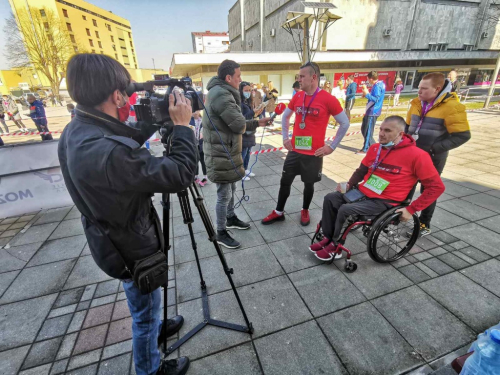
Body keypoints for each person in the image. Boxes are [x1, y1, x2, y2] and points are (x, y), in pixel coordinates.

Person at [58, 54, 196, 375]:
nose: (128, 97)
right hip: (131, 249)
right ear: (116, 96)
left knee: (145, 305)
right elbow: (179, 174)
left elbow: (119, 139)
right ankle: (150, 367)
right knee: (143, 316)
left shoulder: (78, 130)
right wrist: (183, 128)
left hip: (110, 237)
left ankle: (156, 325)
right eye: (125, 91)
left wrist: (153, 120)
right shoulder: (106, 152)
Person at [310, 116, 445, 261]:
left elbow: (436, 187)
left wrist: (411, 209)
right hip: (364, 193)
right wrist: (349, 184)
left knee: (345, 209)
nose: (381, 134)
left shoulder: (418, 156)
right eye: (380, 129)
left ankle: (336, 246)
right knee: (330, 198)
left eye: (387, 131)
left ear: (400, 134)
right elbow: (361, 170)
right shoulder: (375, 148)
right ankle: (329, 238)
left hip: (386, 201)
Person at [261, 62, 350, 227]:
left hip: (314, 154)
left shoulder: (328, 99)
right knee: (285, 181)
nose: (298, 79)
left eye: (302, 76)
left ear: (313, 77)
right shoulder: (298, 96)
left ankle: (305, 209)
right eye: (298, 76)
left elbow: (344, 123)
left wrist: (331, 147)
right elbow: (286, 117)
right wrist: (285, 138)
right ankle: (279, 212)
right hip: (295, 151)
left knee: (308, 184)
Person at [202, 60, 271, 249]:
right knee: (223, 194)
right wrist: (255, 122)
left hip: (226, 149)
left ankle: (230, 218)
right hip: (220, 152)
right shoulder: (222, 95)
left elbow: (236, 121)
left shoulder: (222, 92)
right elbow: (239, 124)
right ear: (228, 78)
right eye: (238, 76)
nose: (241, 81)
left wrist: (258, 123)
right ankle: (221, 232)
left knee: (231, 190)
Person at [406, 72, 470, 236]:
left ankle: (424, 224)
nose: (419, 91)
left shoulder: (452, 107)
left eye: (424, 89)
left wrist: (434, 148)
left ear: (437, 89)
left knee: (428, 190)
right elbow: (408, 128)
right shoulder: (416, 103)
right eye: (419, 87)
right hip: (411, 155)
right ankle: (398, 215)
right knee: (406, 186)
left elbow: (463, 135)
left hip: (432, 158)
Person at [239, 81, 264, 181]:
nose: (248, 92)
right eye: (246, 90)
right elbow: (242, 118)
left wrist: (257, 113)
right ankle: (240, 172)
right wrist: (252, 112)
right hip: (244, 131)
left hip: (250, 130)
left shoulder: (248, 101)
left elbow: (251, 116)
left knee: (249, 151)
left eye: (249, 90)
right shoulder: (239, 103)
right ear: (240, 91)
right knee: (243, 152)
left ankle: (245, 169)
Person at [357, 71, 386, 155]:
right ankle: (374, 146)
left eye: (368, 79)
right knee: (364, 129)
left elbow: (376, 99)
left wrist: (367, 94)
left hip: (373, 111)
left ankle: (366, 149)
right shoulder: (379, 84)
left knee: (368, 130)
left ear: (371, 79)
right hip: (370, 110)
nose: (367, 81)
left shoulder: (377, 86)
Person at [189, 110, 208, 186]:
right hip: (193, 144)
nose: (194, 113)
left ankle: (205, 177)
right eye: (193, 112)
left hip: (202, 144)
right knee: (195, 161)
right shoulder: (190, 120)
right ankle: (195, 176)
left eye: (196, 111)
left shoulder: (204, 120)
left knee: (203, 161)